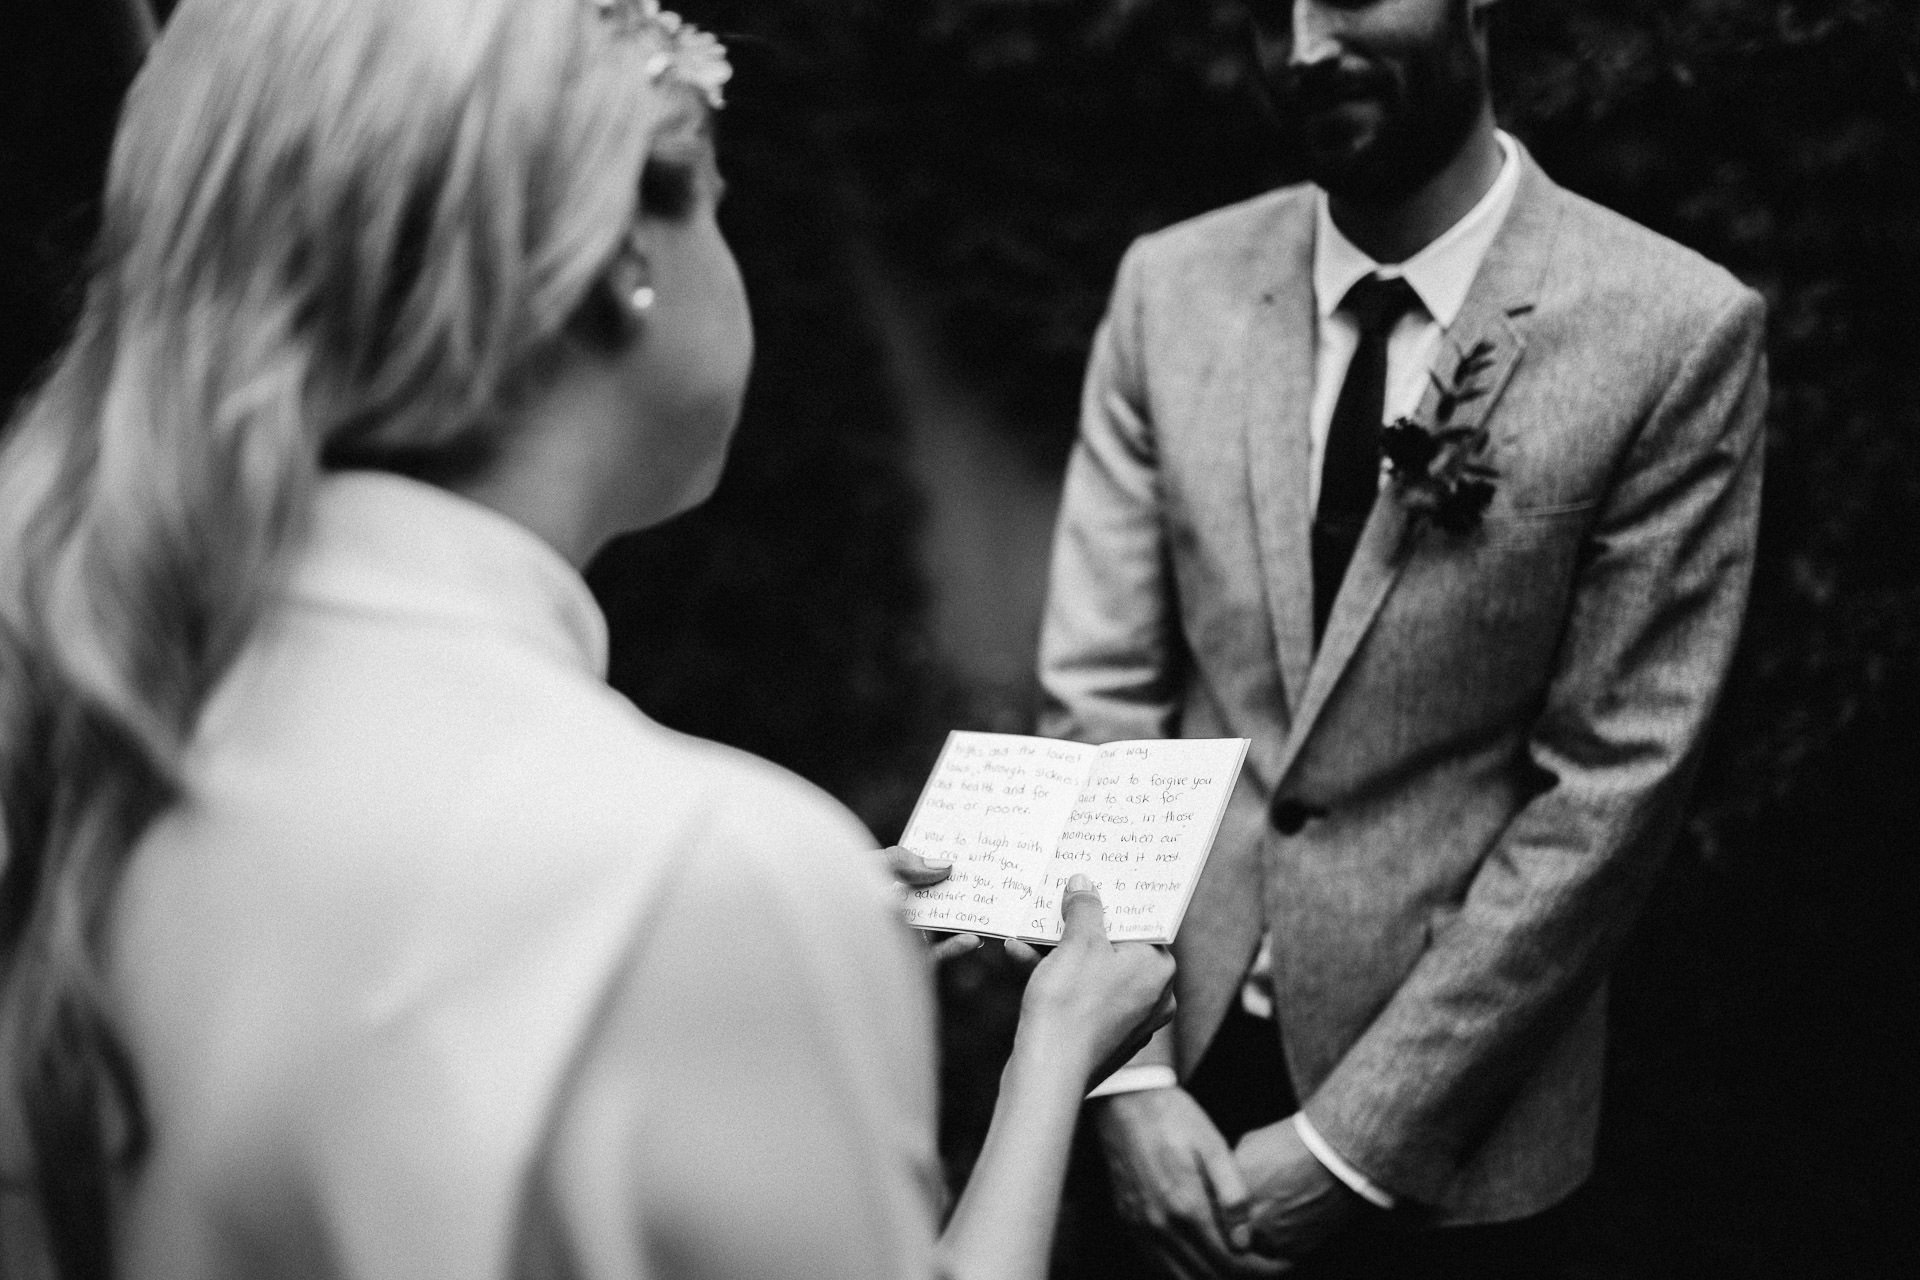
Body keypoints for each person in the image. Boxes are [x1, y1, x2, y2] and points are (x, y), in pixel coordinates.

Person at [0, 3, 1174, 1279]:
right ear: (624, 250)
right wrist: (1052, 1047)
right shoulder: (706, 871)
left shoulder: (86, 721)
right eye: (716, 199)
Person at [1038, 1, 1768, 1277]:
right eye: (1269, 11)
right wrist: (1124, 1075)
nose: (1304, 46)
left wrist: (1351, 1145)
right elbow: (1098, 693)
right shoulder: (1169, 285)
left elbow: (1611, 787)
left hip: (1456, 1132)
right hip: (1169, 1076)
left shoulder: (1671, 329)